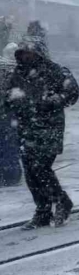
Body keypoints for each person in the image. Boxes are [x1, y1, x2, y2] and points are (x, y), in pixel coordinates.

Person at [5, 40, 79, 229]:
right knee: (30, 172)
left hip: (49, 128)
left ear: (39, 54)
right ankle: (43, 210)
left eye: (29, 53)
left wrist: (52, 101)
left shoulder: (55, 71)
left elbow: (72, 93)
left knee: (41, 167)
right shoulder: (18, 73)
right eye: (22, 53)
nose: (26, 57)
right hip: (26, 128)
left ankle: (61, 200)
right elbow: (8, 95)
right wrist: (13, 101)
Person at [0, 43, 21, 187]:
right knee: (11, 145)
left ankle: (7, 173)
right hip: (10, 114)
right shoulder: (20, 69)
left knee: (5, 144)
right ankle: (11, 175)